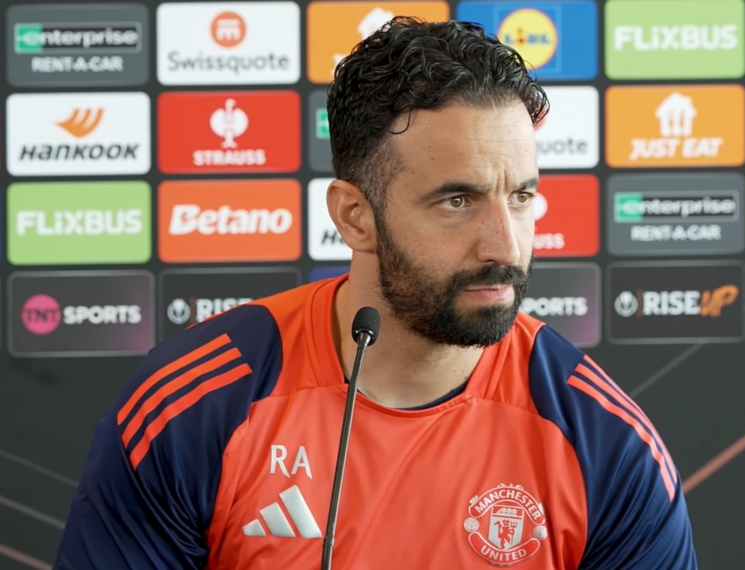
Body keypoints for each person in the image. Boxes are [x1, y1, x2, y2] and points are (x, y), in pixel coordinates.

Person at [53, 17, 698, 570]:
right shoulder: (194, 408)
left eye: (521, 196)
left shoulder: (604, 443)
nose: (505, 246)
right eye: (457, 200)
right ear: (354, 216)